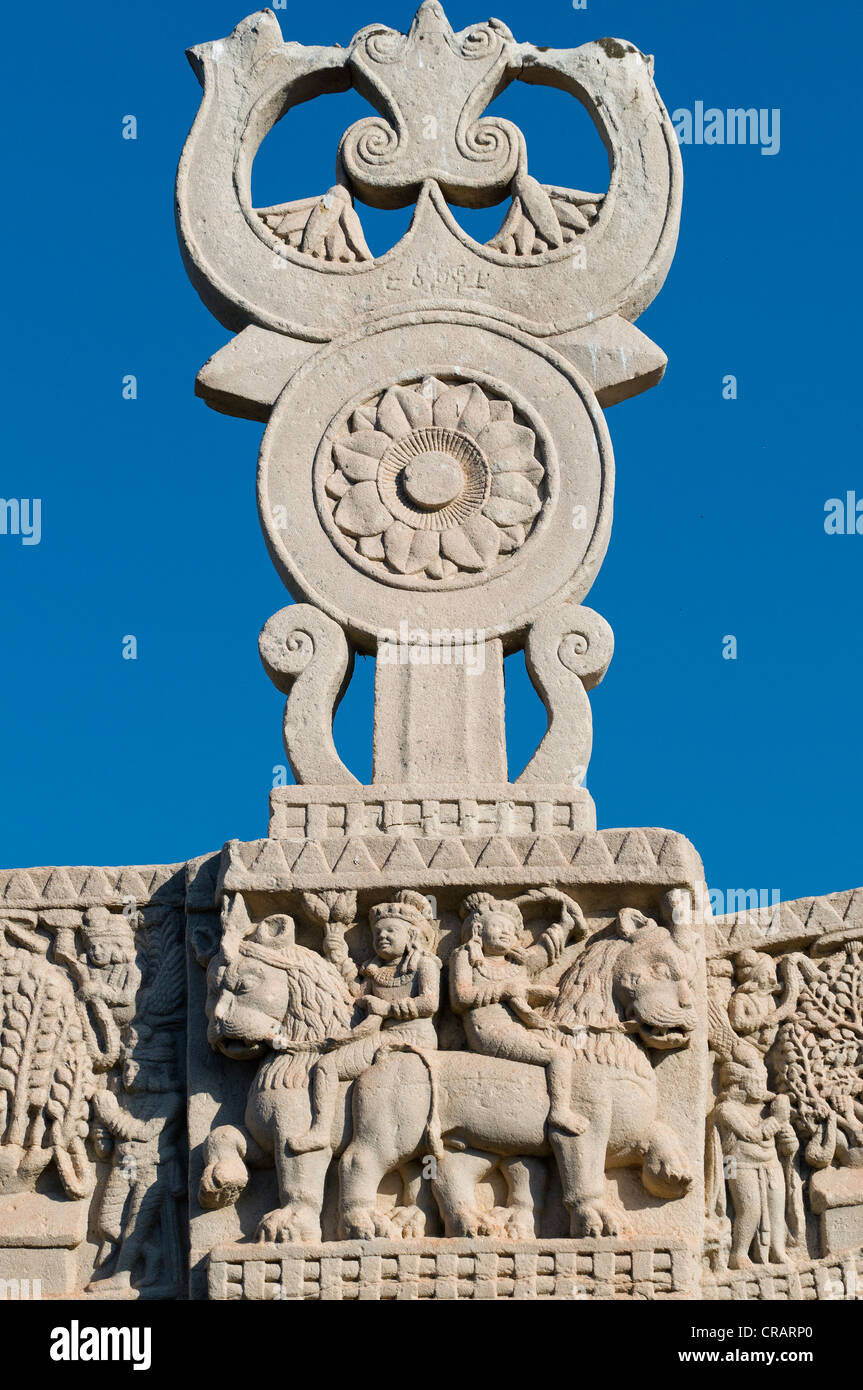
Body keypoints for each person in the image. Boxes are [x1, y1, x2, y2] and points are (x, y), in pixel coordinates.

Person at [292, 889, 440, 1154]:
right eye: (377, 933)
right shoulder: (375, 970)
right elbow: (355, 993)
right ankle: (327, 1130)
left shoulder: (424, 965)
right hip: (381, 1036)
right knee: (328, 1064)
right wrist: (337, 954)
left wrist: (387, 1008)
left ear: (412, 935)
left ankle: (320, 1131)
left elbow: (430, 1003)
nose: (382, 936)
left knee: (326, 1067)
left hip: (412, 1036)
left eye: (391, 931)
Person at [449, 891, 586, 1137]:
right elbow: (460, 998)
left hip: (519, 1027)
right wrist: (505, 990)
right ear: (478, 930)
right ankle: (560, 1111)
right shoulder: (465, 956)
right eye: (498, 926)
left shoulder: (516, 964)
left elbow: (545, 951)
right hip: (488, 1031)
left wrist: (565, 924)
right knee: (559, 1056)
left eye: (511, 931)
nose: (505, 933)